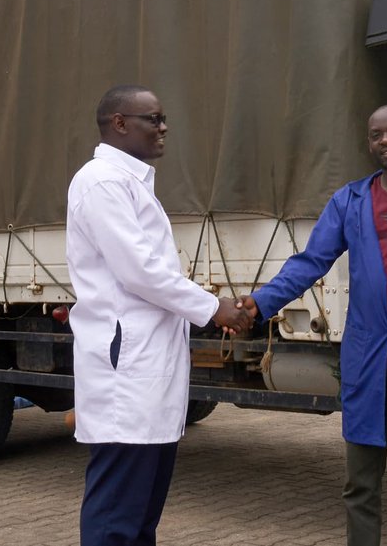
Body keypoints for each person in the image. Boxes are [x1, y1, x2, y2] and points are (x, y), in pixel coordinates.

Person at [239, 104, 387, 546]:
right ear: (368, 143)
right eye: (376, 135)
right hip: (367, 358)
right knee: (361, 484)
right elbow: (311, 262)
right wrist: (258, 303)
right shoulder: (349, 201)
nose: (386, 140)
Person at [67, 84, 249, 546]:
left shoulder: (131, 182)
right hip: (125, 372)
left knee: (142, 515)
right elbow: (140, 272)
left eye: (164, 118)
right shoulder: (102, 181)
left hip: (148, 371)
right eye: (154, 119)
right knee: (117, 517)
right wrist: (215, 308)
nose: (164, 128)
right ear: (119, 123)